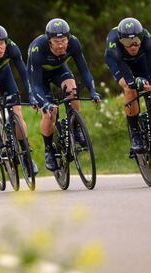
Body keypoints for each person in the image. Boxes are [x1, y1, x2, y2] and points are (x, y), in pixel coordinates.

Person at [27, 18, 100, 171]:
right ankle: (49, 150)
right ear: (49, 41)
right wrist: (45, 103)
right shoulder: (38, 49)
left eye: (64, 40)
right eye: (56, 41)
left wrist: (93, 91)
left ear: (68, 38)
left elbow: (84, 70)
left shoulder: (74, 43)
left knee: (73, 90)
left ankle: (75, 127)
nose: (61, 45)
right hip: (40, 79)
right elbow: (36, 85)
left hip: (59, 70)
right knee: (50, 112)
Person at [0, 24, 38, 174]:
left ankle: (26, 153)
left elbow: (24, 73)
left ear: (6, 42)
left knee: (18, 113)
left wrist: (31, 94)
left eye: (2, 43)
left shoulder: (12, 48)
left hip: (6, 76)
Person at [105, 17, 151, 158]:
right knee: (130, 89)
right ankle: (135, 133)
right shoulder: (113, 41)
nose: (133, 46)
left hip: (141, 62)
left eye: (136, 41)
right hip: (119, 63)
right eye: (127, 42)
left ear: (141, 38)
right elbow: (128, 78)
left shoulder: (147, 39)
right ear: (121, 40)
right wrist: (135, 81)